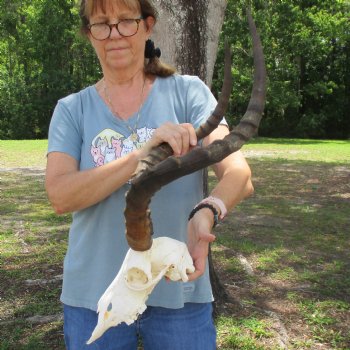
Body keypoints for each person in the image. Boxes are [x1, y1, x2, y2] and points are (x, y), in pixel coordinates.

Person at [45, 0, 254, 349]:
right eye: (101, 24)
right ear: (89, 34)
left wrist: (208, 210)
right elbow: (60, 195)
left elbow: (239, 173)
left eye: (126, 21)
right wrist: (141, 155)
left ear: (147, 25)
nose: (114, 34)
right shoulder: (72, 109)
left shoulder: (187, 92)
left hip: (178, 292)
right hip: (97, 298)